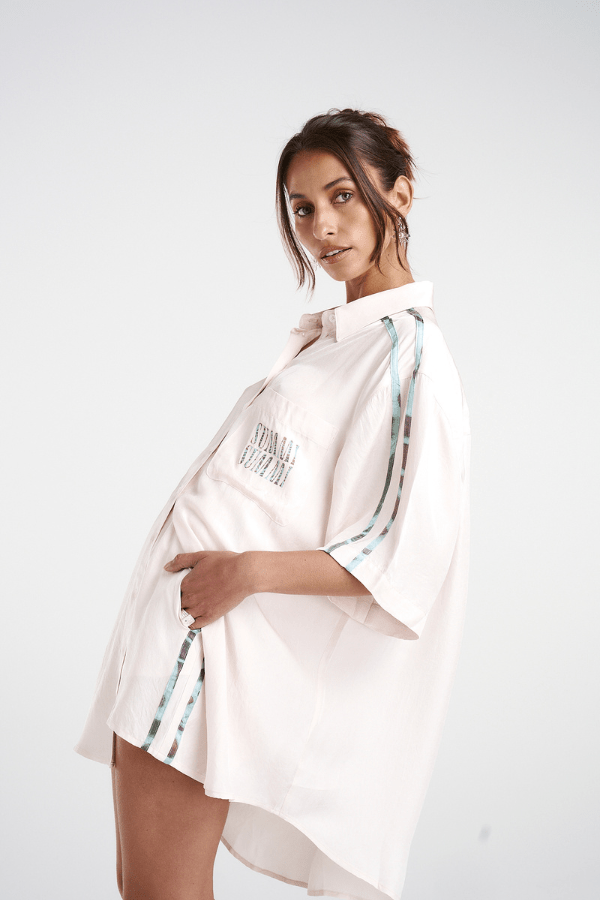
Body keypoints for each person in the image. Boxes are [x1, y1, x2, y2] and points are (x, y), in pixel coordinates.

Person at [75, 107, 470, 900]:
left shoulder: (409, 358)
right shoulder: (335, 342)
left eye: (342, 196)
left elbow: (401, 553)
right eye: (302, 207)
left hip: (209, 655)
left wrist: (247, 572)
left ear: (400, 193)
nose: (322, 226)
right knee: (143, 889)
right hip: (169, 637)